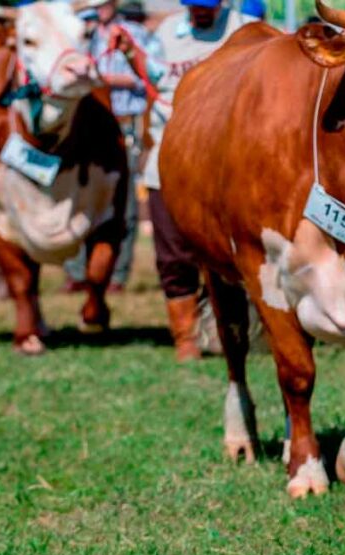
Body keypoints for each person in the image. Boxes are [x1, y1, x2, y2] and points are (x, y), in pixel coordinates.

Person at [111, 0, 256, 361]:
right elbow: (155, 77)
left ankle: (232, 332)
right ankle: (185, 336)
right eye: (193, 6)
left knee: (232, 256)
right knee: (173, 254)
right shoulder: (166, 32)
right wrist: (132, 54)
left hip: (227, 167)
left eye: (206, 6)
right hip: (169, 161)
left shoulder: (247, 30)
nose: (199, 13)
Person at [63, 0, 154, 294]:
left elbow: (147, 75)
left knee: (123, 205)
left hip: (123, 125)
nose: (97, 7)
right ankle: (77, 273)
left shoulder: (135, 34)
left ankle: (116, 275)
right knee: (76, 201)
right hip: (85, 127)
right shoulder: (79, 34)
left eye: (102, 2)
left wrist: (101, 79)